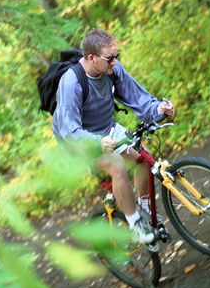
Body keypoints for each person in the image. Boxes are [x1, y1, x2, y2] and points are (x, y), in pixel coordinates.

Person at [52, 28, 174, 244]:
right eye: (109, 59)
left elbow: (138, 97)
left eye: (116, 56)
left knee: (143, 159)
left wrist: (159, 110)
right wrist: (97, 142)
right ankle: (136, 224)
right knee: (117, 166)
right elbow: (69, 131)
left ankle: (147, 215)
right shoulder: (72, 83)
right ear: (92, 58)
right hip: (80, 142)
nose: (114, 63)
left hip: (107, 128)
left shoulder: (111, 69)